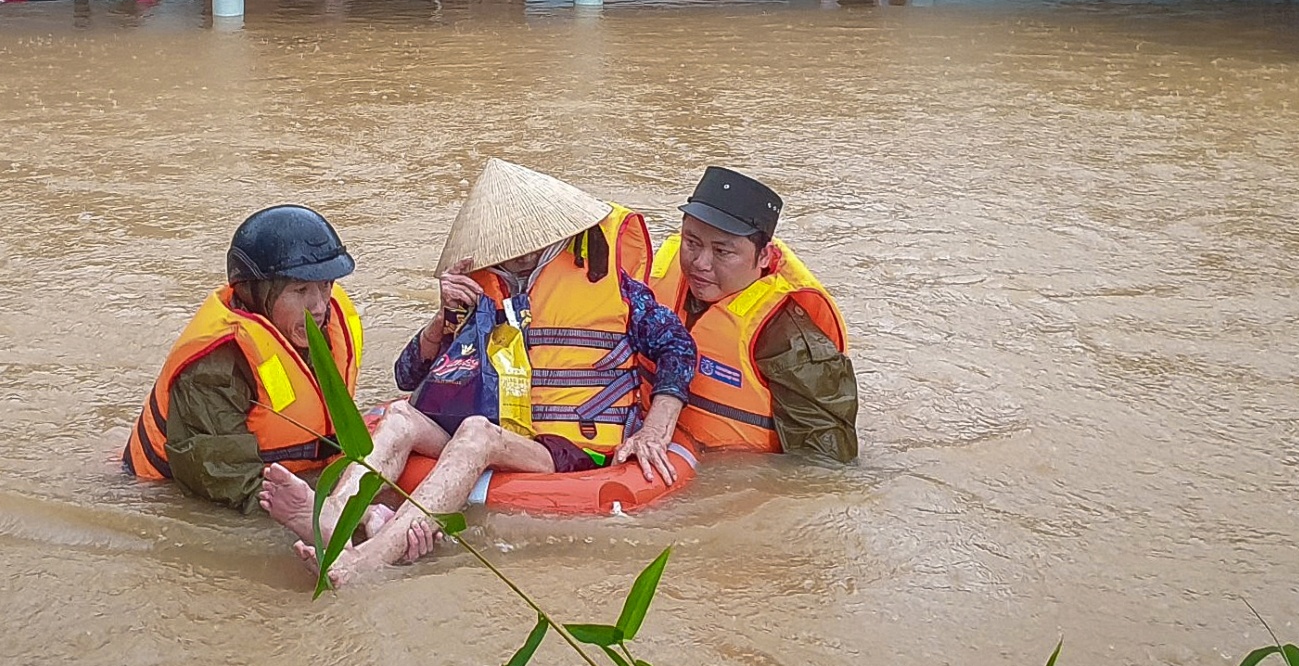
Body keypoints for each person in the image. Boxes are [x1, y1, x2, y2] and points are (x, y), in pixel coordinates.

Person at [259, 159, 695, 585]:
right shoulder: (477, 285)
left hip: (576, 447)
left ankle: (367, 561)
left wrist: (656, 429)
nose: (515, 250)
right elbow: (408, 376)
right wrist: (443, 318)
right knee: (400, 419)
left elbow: (678, 348)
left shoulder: (618, 289)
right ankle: (333, 518)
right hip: (504, 425)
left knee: (475, 432)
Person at [126, 205, 366, 512]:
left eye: (325, 285)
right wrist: (332, 513)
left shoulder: (321, 324)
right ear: (255, 293)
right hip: (157, 495)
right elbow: (230, 484)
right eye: (301, 290)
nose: (318, 306)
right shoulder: (215, 368)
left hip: (298, 473)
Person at [647, 167, 858, 461]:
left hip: (724, 472)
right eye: (691, 243)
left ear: (763, 257)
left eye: (722, 252)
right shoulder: (653, 281)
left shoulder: (787, 337)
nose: (700, 263)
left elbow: (824, 468)